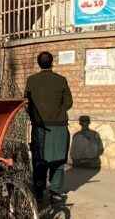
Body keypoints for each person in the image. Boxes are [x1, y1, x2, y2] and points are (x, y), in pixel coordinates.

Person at [24, 51, 73, 203]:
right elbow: (69, 103)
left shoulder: (31, 80)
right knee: (58, 160)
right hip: (59, 126)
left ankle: (38, 192)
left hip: (39, 127)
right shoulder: (61, 80)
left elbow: (27, 104)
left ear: (39, 64)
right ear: (52, 62)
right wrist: (57, 111)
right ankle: (55, 191)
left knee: (39, 159)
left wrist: (36, 115)